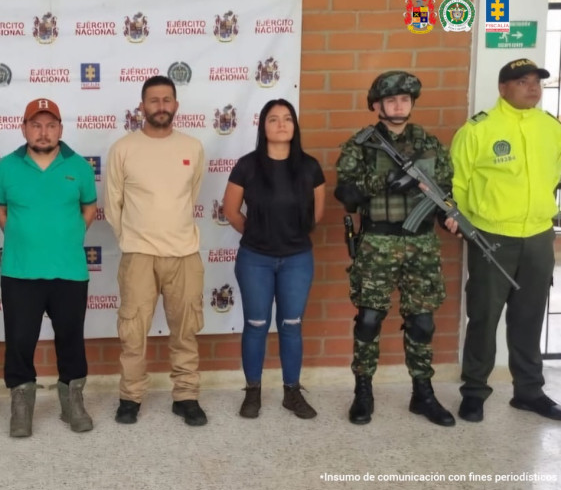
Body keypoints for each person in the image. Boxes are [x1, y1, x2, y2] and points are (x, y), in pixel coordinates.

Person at [334, 70, 459, 427]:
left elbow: (444, 193)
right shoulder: (362, 144)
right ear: (377, 105)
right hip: (377, 243)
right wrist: (387, 180)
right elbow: (345, 194)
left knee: (422, 322)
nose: (398, 105)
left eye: (404, 99)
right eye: (391, 100)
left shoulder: (431, 145)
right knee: (369, 319)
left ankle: (423, 393)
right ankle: (363, 392)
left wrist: (449, 217)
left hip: (421, 243)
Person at [451, 58, 561, 422]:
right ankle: (474, 392)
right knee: (483, 317)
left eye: (536, 82)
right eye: (522, 81)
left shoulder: (551, 128)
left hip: (538, 236)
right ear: (502, 88)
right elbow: (458, 184)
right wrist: (471, 226)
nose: (532, 88)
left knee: (529, 318)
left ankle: (528, 391)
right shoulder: (478, 130)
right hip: (492, 237)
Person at [106, 75, 207, 427]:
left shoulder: (192, 148)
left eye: (167, 100)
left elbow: (191, 196)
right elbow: (112, 204)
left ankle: (186, 396)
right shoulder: (123, 148)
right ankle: (130, 397)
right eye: (153, 100)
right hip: (138, 255)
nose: (160, 106)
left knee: (186, 330)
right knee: (133, 332)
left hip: (184, 254)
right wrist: (134, 239)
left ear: (176, 105)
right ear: (142, 106)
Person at [0, 98, 96, 438]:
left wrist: (65, 239)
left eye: (51, 125)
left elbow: (89, 209)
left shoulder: (78, 166)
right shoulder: (7, 167)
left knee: (71, 337)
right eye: (36, 125)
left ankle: (72, 402)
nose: (43, 132)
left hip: (69, 271)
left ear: (61, 129)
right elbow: (1, 210)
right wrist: (27, 240)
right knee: (20, 340)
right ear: (24, 129)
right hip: (20, 271)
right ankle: (21, 405)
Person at [221, 99, 325, 420]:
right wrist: (257, 234)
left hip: (297, 259)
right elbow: (230, 211)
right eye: (273, 119)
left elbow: (317, 215)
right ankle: (253, 392)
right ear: (263, 127)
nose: (281, 124)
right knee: (256, 325)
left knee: (291, 326)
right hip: (256, 259)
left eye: (287, 119)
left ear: (295, 126)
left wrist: (290, 235)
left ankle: (291, 392)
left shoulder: (309, 166)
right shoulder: (248, 165)